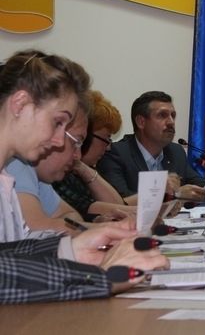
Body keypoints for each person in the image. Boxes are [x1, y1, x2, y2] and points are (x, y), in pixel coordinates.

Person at [0, 50, 168, 302]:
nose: (59, 140)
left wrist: (72, 249)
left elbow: (7, 254)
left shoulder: (6, 179)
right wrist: (97, 278)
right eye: (58, 122)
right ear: (20, 104)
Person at [97, 91, 205, 200]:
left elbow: (201, 187)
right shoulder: (116, 154)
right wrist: (175, 194)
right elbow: (120, 200)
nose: (171, 122)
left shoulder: (176, 151)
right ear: (141, 122)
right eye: (162, 115)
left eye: (173, 115)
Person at [53, 90, 138, 219]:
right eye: (106, 138)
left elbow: (119, 204)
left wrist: (83, 168)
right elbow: (87, 207)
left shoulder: (89, 168)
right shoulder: (58, 172)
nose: (109, 147)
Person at [6, 107, 92, 235]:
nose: (78, 156)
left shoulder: (36, 174)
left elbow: (71, 215)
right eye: (76, 142)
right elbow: (36, 230)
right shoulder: (16, 164)